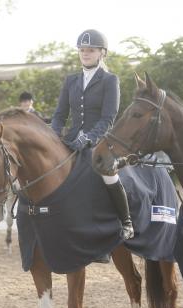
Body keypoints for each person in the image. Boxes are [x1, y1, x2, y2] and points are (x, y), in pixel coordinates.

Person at [51, 29, 134, 244]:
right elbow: (60, 114)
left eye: (91, 50)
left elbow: (108, 118)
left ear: (102, 53)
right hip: (70, 139)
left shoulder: (110, 80)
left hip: (98, 141)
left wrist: (88, 138)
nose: (85, 54)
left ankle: (126, 223)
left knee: (108, 173)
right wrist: (54, 133)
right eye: (82, 50)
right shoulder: (71, 80)